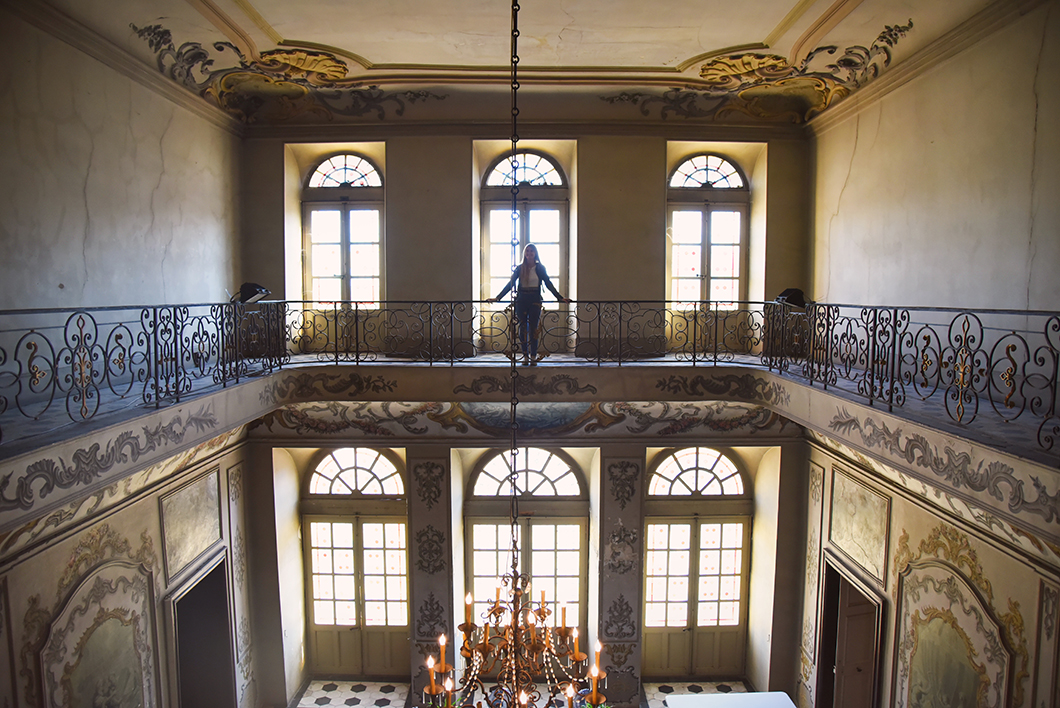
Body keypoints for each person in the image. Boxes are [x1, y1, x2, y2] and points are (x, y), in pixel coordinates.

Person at [487, 244, 570, 365]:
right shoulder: (520, 268)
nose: (529, 253)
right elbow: (511, 283)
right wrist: (498, 297)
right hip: (522, 299)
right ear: (524, 254)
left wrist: (560, 298)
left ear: (535, 253)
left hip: (535, 299)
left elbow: (548, 283)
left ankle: (533, 355)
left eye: (531, 251)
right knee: (522, 328)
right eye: (527, 251)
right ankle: (525, 355)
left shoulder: (540, 268)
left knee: (533, 329)